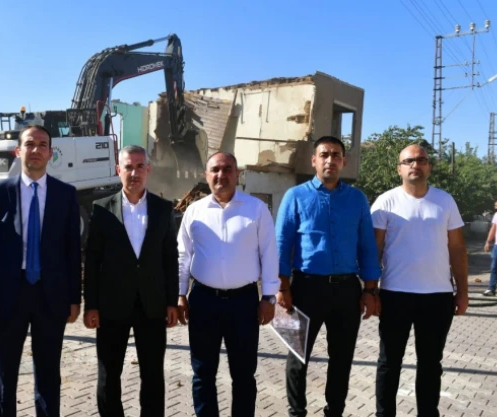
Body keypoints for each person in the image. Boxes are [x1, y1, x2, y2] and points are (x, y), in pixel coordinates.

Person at [0, 125, 81, 417]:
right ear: (18, 151)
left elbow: (72, 251)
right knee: (3, 378)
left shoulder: (66, 195)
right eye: (30, 144)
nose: (36, 150)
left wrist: (74, 298)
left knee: (48, 376)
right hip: (7, 296)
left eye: (42, 145)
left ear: (51, 153)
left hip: (50, 296)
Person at [275, 135, 381, 417]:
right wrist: (282, 286)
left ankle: (334, 411)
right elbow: (281, 244)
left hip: (347, 291)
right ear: (314, 160)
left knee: (341, 359)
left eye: (336, 155)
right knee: (297, 356)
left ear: (344, 161)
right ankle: (296, 412)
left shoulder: (357, 199)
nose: (330, 160)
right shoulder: (295, 196)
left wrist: (370, 290)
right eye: (324, 155)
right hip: (304, 289)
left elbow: (367, 247)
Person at [177, 151, 279, 417]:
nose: (221, 175)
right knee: (203, 374)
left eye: (227, 169)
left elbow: (269, 253)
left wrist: (269, 297)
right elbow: (183, 255)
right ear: (206, 175)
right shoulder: (194, 211)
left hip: (243, 303)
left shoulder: (256, 209)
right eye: (215, 170)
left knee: (244, 374)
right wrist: (180, 294)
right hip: (203, 302)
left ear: (237, 174)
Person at [370, 144, 468, 417]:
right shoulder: (385, 202)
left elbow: (457, 248)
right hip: (395, 295)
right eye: (409, 161)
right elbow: (374, 250)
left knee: (430, 364)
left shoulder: (445, 201)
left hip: (437, 297)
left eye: (421, 160)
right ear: (399, 168)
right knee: (389, 362)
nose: (416, 165)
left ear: (429, 167)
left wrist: (462, 291)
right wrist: (371, 291)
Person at [83, 144, 179, 417]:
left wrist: (171, 302)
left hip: (152, 305)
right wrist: (91, 305)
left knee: (153, 376)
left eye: (139, 167)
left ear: (148, 169)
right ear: (118, 170)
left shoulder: (163, 209)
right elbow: (92, 261)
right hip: (112, 306)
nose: (134, 173)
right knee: (108, 375)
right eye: (128, 167)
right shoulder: (102, 209)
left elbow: (170, 258)